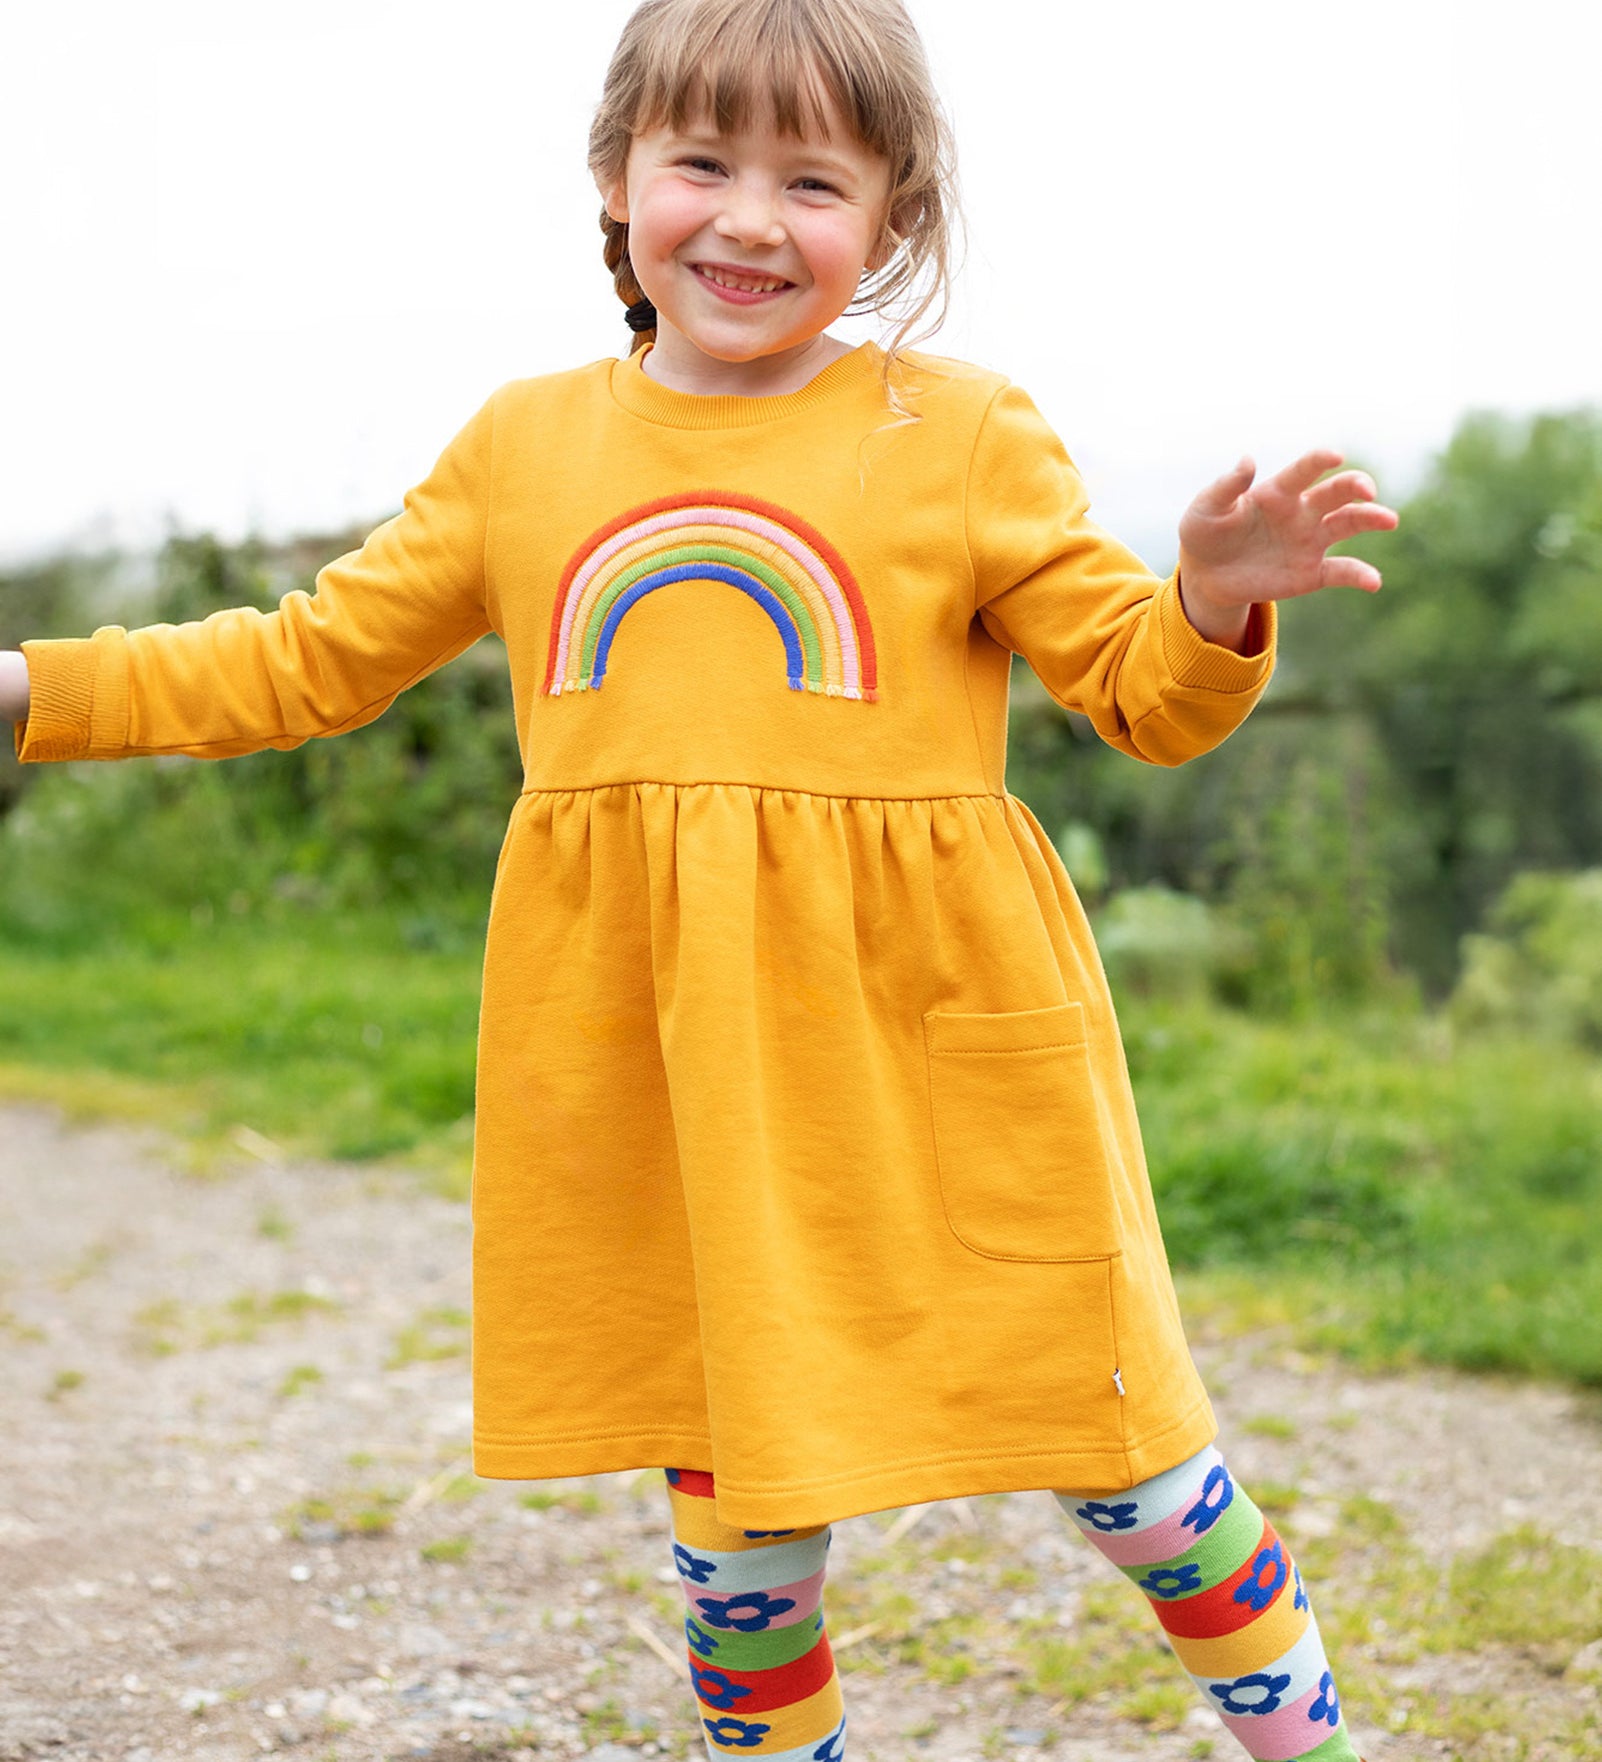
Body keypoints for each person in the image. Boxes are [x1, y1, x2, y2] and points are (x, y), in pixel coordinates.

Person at [0, 0, 1397, 1755]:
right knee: (742, 1543)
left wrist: (1207, 601)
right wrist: (29, 688)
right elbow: (297, 660)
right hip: (675, 1085)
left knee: (1135, 1474)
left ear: (891, 224)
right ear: (615, 181)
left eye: (813, 180)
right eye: (701, 162)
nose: (748, 217)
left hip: (943, 1060)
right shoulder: (524, 447)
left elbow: (1139, 695)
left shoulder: (958, 431)